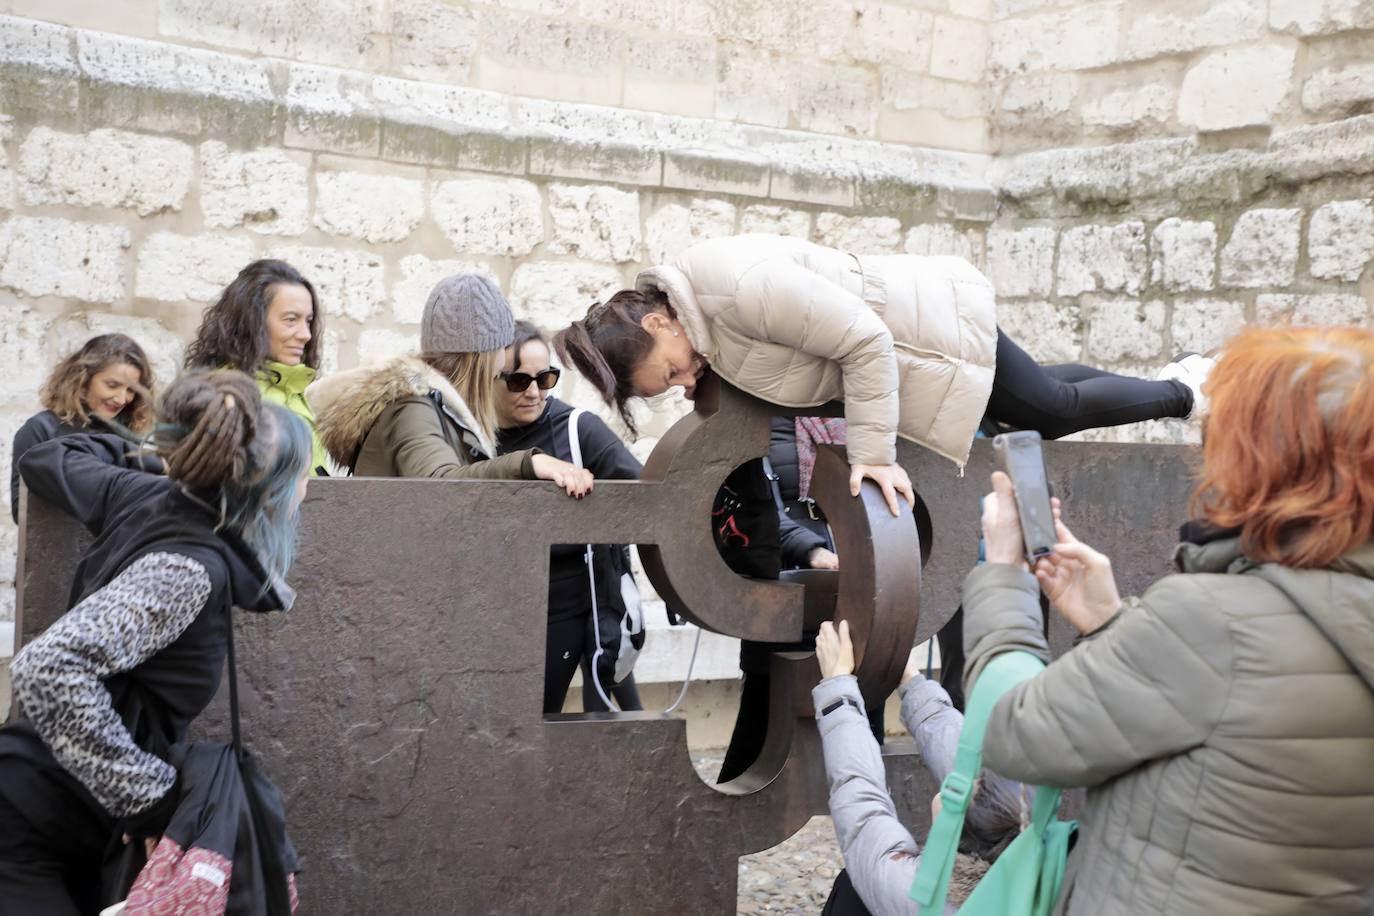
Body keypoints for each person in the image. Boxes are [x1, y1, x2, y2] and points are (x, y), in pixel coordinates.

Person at [968, 325, 1374, 915]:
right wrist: (1113, 626)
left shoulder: (1210, 621)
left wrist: (1002, 576)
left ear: (1256, 462)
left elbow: (1016, 735)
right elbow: (1232, 719)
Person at [554, 233, 1211, 517]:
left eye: (666, 372)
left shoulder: (734, 290)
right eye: (668, 388)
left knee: (1054, 409)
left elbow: (864, 340)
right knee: (1034, 395)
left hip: (929, 327)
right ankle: (1176, 384)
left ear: (657, 326)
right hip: (916, 344)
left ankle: (1188, 392)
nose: (679, 381)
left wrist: (873, 454)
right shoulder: (706, 323)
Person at [0, 370, 310, 914]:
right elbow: (48, 666)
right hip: (30, 823)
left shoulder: (144, 494)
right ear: (272, 488)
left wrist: (157, 462)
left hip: (63, 821)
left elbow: (59, 455)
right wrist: (149, 799)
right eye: (304, 474)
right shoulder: (188, 568)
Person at [813, 620, 1023, 916]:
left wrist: (837, 689)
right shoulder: (1025, 849)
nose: (959, 778)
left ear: (957, 839)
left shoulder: (921, 897)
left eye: (962, 788)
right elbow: (968, 760)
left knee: (855, 887)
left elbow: (863, 809)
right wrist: (912, 682)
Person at [311, 275, 592, 496]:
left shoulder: (440, 407)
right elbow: (441, 484)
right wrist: (528, 463)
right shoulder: (412, 406)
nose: (503, 361)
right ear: (484, 355)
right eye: (502, 347)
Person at [493, 322, 643, 713]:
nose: (534, 391)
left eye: (545, 378)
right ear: (490, 378)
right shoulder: (475, 434)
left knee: (548, 719)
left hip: (571, 606)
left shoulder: (579, 429)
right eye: (518, 380)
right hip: (501, 609)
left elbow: (645, 494)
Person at [185, 258, 331, 475]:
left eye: (308, 321)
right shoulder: (227, 396)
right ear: (252, 322)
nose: (305, 335)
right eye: (291, 320)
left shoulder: (294, 390)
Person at [10, 333, 157, 522]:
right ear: (83, 378)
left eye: (131, 390)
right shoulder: (41, 429)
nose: (121, 399)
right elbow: (21, 510)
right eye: (112, 385)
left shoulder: (129, 435)